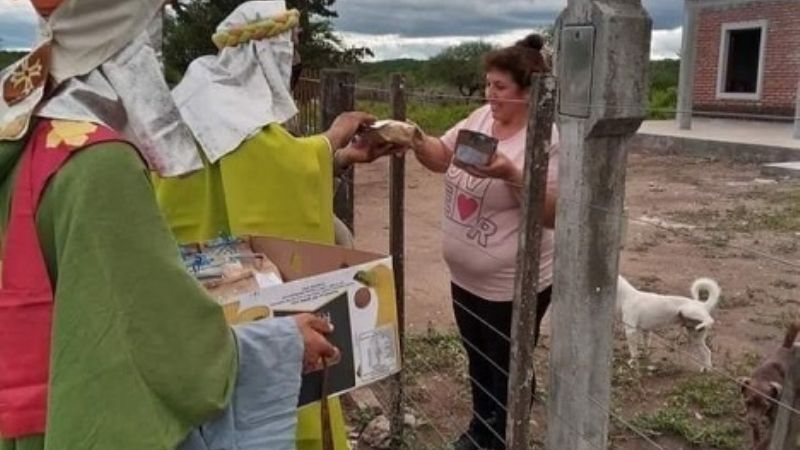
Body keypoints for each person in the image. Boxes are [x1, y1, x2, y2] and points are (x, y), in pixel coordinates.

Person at [0, 1, 337, 449]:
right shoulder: (100, 162)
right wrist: (278, 344)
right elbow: (163, 344)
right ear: (131, 37)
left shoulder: (23, 127)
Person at [152, 3, 397, 449]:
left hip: (183, 290)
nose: (294, 66)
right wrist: (334, 138)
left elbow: (253, 171)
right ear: (266, 55)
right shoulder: (237, 118)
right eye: (291, 54)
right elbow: (279, 171)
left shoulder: (200, 97)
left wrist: (337, 159)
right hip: (234, 297)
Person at [409, 34, 559, 450]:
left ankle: (507, 437)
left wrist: (510, 173)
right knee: (477, 358)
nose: (489, 94)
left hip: (509, 285)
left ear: (529, 91)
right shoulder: (480, 120)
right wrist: (415, 139)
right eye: (487, 85)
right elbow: (442, 156)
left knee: (509, 368)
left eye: (500, 87)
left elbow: (551, 214)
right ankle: (482, 427)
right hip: (465, 277)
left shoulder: (545, 138)